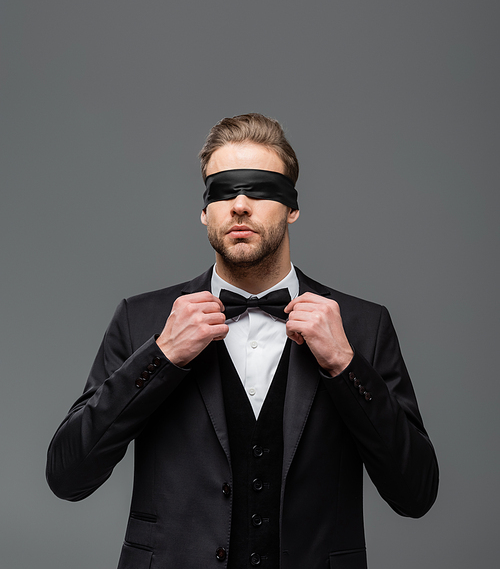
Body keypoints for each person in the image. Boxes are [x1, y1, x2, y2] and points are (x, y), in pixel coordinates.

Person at [46, 113, 438, 569]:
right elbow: (67, 476)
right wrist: (161, 356)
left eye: (261, 188)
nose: (240, 204)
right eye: (223, 190)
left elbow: (417, 494)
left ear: (292, 207)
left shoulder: (362, 326)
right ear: (204, 209)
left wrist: (347, 367)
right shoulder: (142, 319)